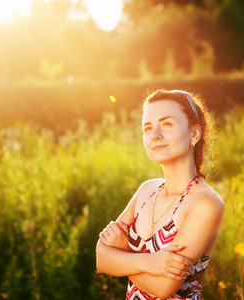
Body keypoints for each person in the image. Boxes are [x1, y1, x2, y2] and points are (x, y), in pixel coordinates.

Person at [96, 89, 224, 300]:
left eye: (167, 124)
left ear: (194, 133)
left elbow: (163, 287)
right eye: (147, 128)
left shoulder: (206, 203)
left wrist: (123, 252)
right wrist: (149, 263)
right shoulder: (146, 190)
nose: (155, 135)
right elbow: (102, 257)